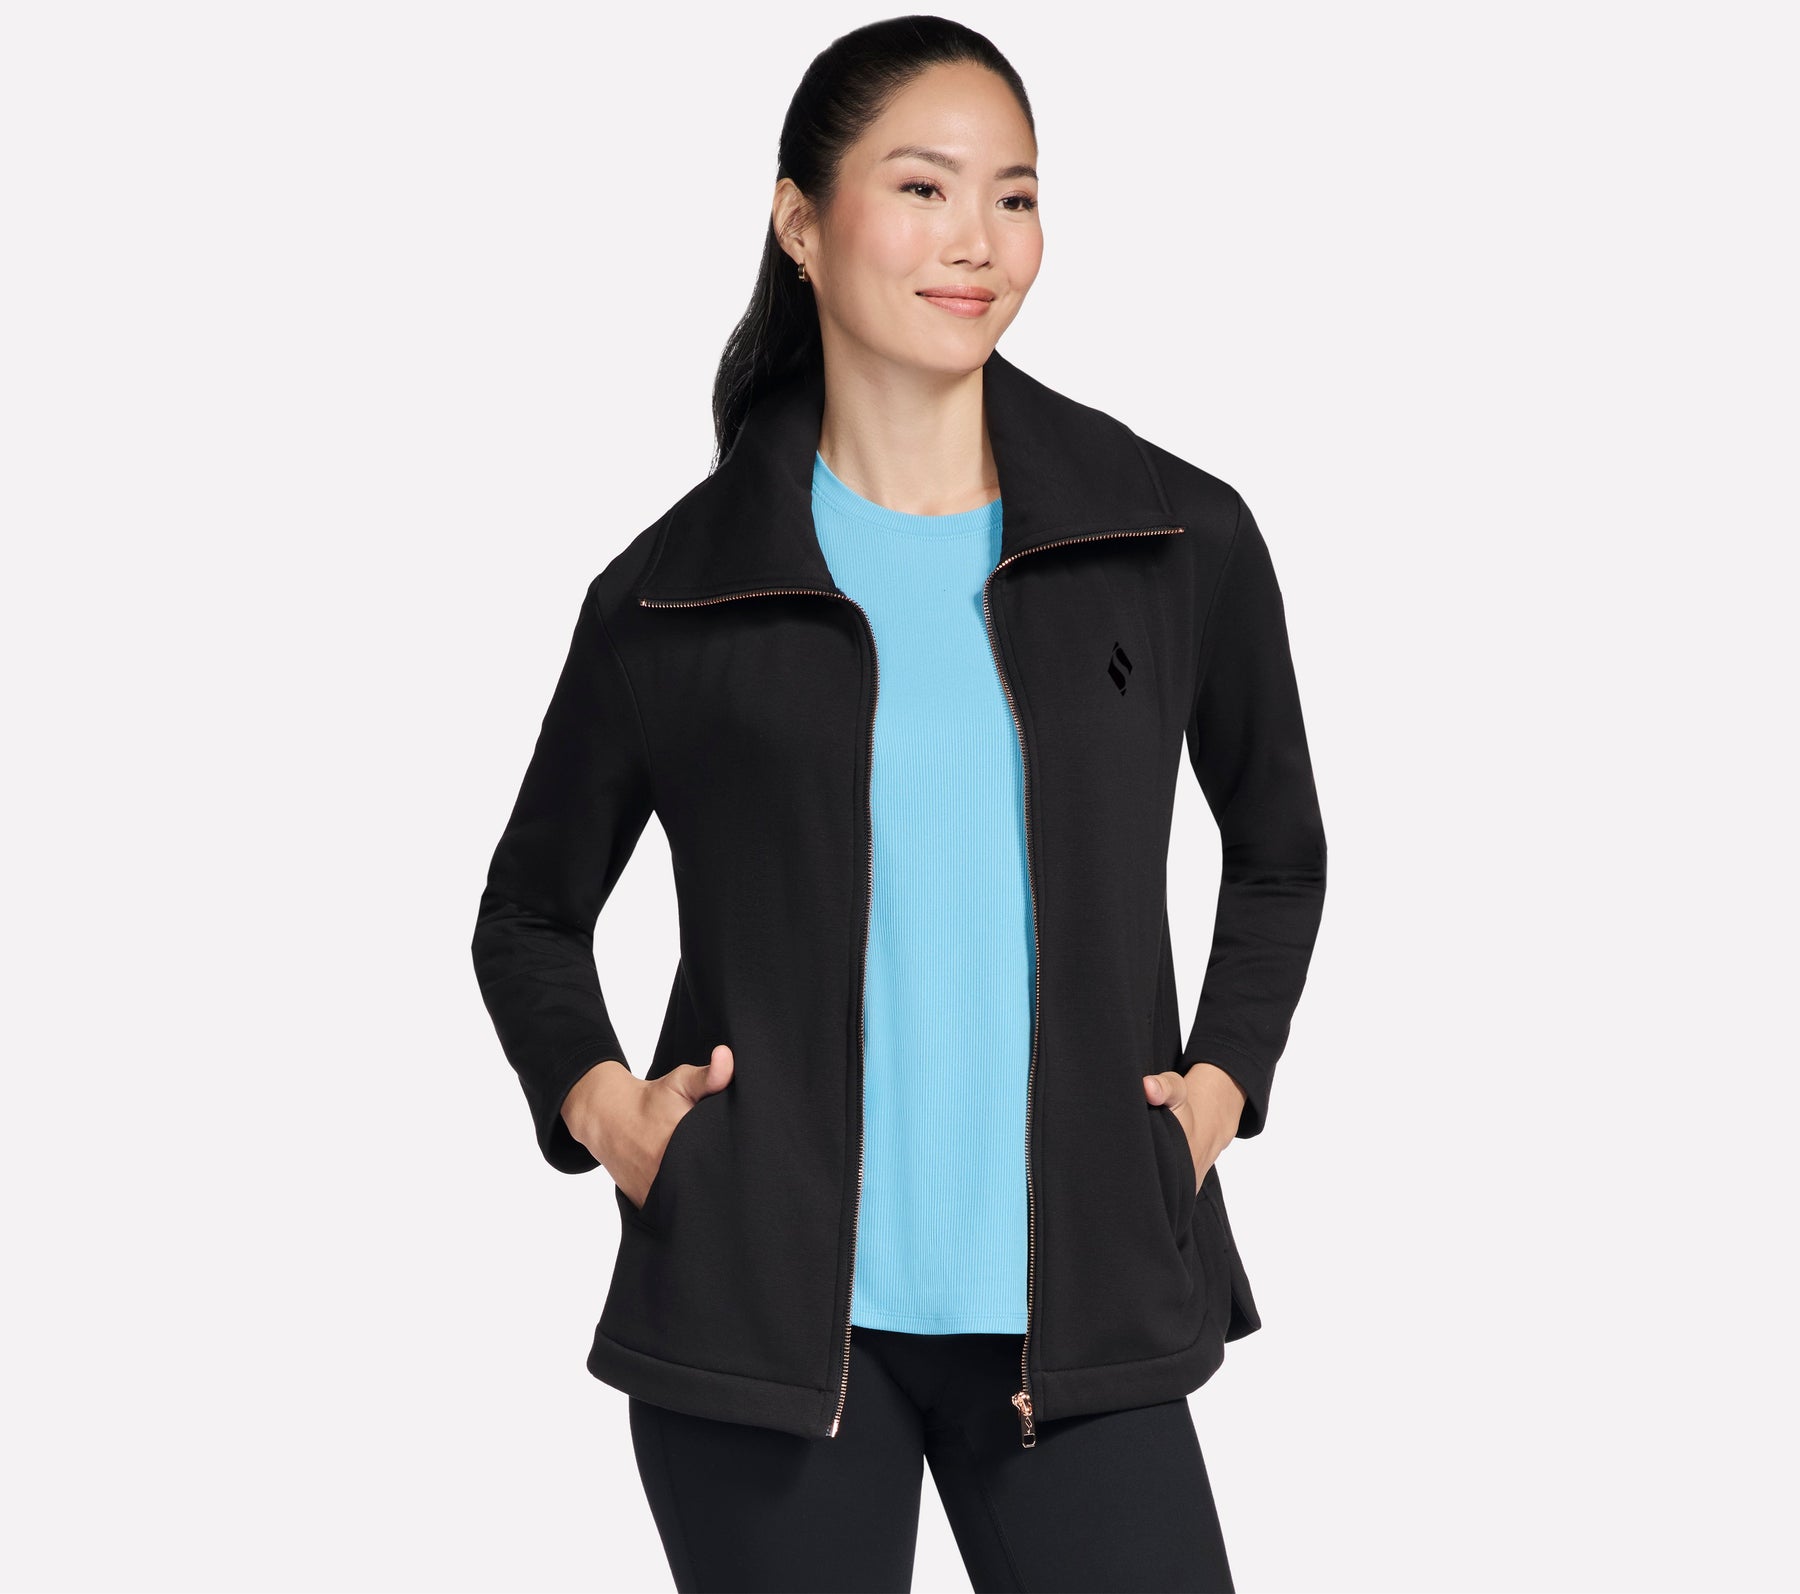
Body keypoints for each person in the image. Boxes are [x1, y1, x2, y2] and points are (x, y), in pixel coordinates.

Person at [471, 15, 1328, 1591]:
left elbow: (1277, 852)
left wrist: (1221, 1083)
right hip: (766, 1331)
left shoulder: (1168, 537)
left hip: (1080, 1313)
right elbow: (528, 912)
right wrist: (605, 1108)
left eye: (1016, 194)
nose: (977, 241)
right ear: (800, 222)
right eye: (924, 188)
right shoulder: (674, 592)